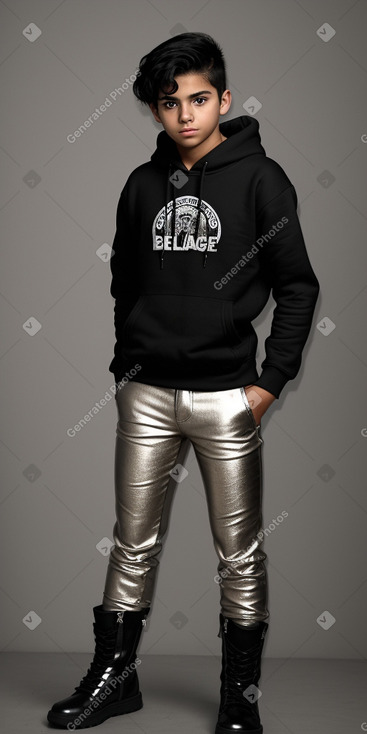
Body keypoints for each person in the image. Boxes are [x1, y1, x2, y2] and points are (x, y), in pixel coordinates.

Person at [47, 32, 320, 733]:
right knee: (131, 543)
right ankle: (115, 679)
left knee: (240, 554)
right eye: (170, 104)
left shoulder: (262, 180)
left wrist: (269, 382)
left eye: (199, 99)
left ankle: (239, 698)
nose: (186, 115)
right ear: (157, 112)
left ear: (223, 100)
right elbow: (123, 284)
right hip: (146, 395)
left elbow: (296, 285)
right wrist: (127, 365)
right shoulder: (141, 186)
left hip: (228, 394)